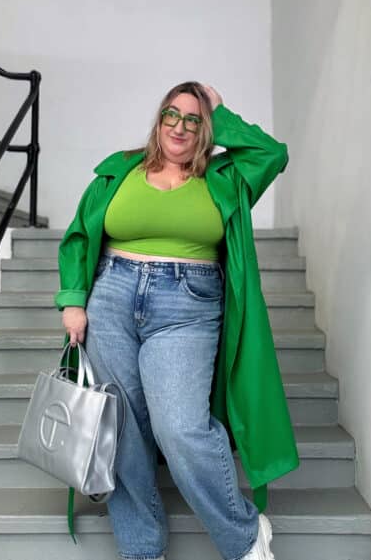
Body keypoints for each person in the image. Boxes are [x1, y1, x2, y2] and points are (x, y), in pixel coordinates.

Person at [55, 81, 298, 560]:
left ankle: (245, 536)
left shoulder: (226, 177)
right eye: (172, 114)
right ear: (158, 119)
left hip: (187, 305)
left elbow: (273, 153)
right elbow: (82, 233)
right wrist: (73, 300)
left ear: (204, 128)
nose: (180, 127)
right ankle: (142, 548)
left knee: (181, 427)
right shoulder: (118, 170)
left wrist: (223, 114)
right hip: (112, 297)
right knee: (121, 425)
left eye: (194, 118)